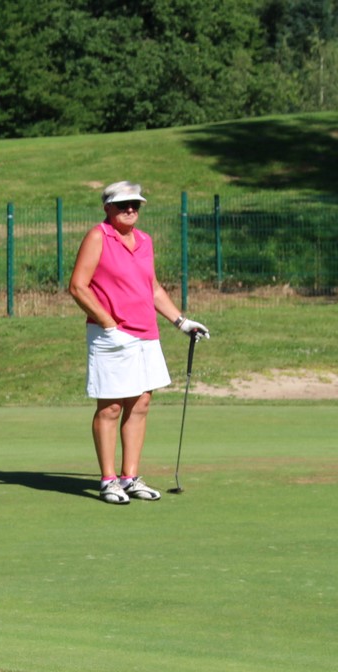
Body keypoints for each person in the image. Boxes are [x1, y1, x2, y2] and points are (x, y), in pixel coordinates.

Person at [68, 181, 211, 505]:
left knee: (141, 403)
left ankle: (129, 477)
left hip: (146, 333)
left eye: (135, 204)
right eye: (123, 205)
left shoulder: (145, 240)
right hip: (111, 335)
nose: (130, 209)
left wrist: (182, 322)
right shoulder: (98, 237)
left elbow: (153, 288)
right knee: (111, 407)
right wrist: (108, 323)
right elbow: (78, 286)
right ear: (107, 208)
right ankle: (108, 480)